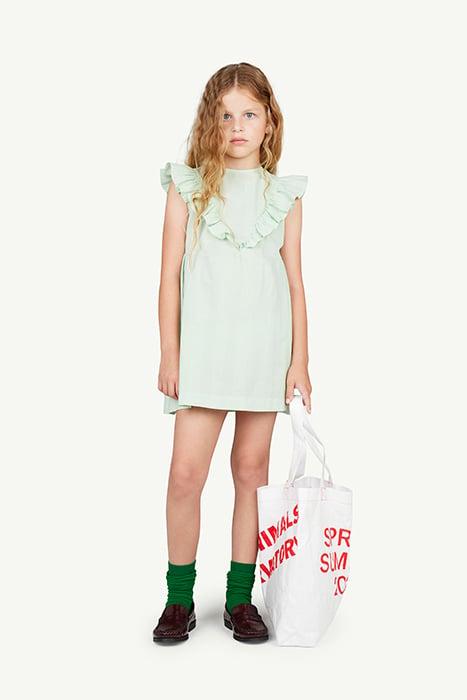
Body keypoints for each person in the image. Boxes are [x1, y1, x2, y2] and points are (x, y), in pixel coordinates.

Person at [152, 62, 312, 644]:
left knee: (251, 473)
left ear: (269, 122)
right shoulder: (188, 188)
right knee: (184, 476)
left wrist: (299, 360)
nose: (237, 126)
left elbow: (293, 282)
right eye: (225, 116)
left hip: (263, 352)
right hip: (204, 353)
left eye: (248, 114)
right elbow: (169, 277)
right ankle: (179, 598)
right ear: (210, 123)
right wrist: (170, 352)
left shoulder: (283, 197)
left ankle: (241, 599)